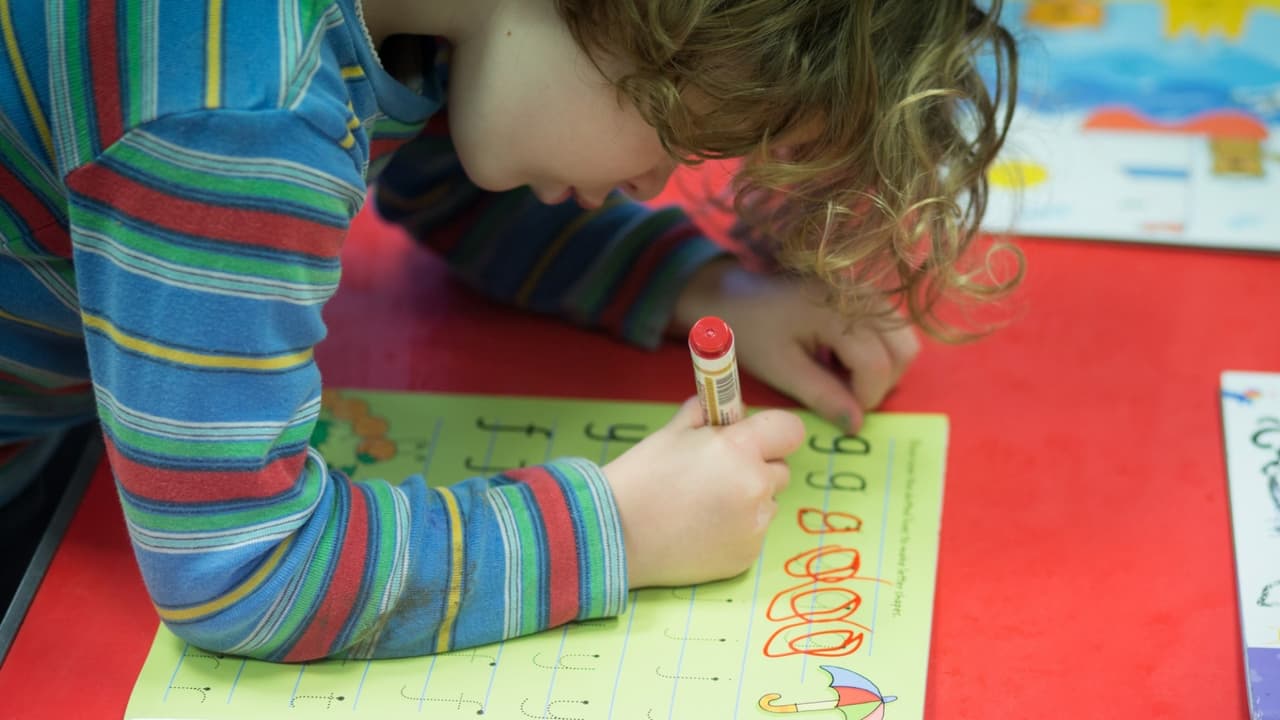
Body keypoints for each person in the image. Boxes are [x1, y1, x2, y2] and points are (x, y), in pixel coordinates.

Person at [0, 0, 1018, 660]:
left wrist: (697, 285)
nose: (654, 183)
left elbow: (454, 164)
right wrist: (616, 528)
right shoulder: (232, 109)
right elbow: (244, 569)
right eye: (672, 135)